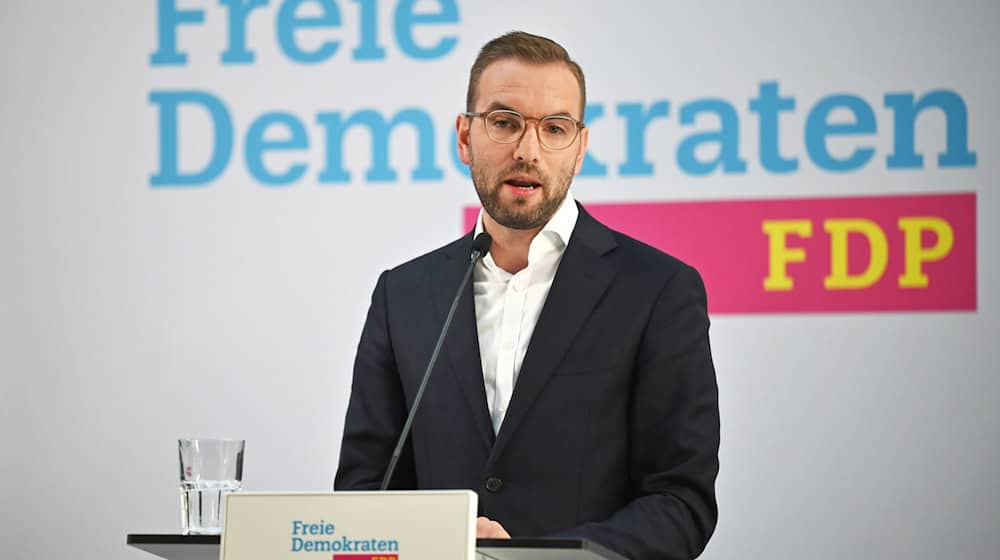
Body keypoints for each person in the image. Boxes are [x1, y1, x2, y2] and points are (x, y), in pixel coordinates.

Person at [335, 31, 720, 560]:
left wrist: (532, 557)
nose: (527, 150)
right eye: (504, 122)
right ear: (465, 137)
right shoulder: (402, 296)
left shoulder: (657, 291)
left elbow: (680, 502)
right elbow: (364, 495)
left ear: (579, 149)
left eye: (555, 128)